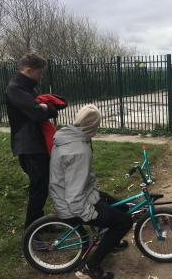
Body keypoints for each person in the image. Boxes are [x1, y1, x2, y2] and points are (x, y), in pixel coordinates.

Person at [49, 104, 133, 279]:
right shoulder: (80, 150)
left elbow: (75, 183)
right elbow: (74, 193)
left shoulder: (66, 137)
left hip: (74, 193)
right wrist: (90, 214)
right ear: (91, 126)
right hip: (73, 204)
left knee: (123, 207)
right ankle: (89, 267)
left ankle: (111, 241)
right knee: (124, 221)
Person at [4, 53, 60, 230]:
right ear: (28, 70)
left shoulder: (28, 88)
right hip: (28, 146)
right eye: (39, 72)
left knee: (42, 185)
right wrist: (46, 109)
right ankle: (32, 229)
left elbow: (45, 109)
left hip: (37, 142)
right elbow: (37, 113)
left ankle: (40, 223)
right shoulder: (15, 89)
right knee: (39, 186)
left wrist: (46, 108)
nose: (41, 76)